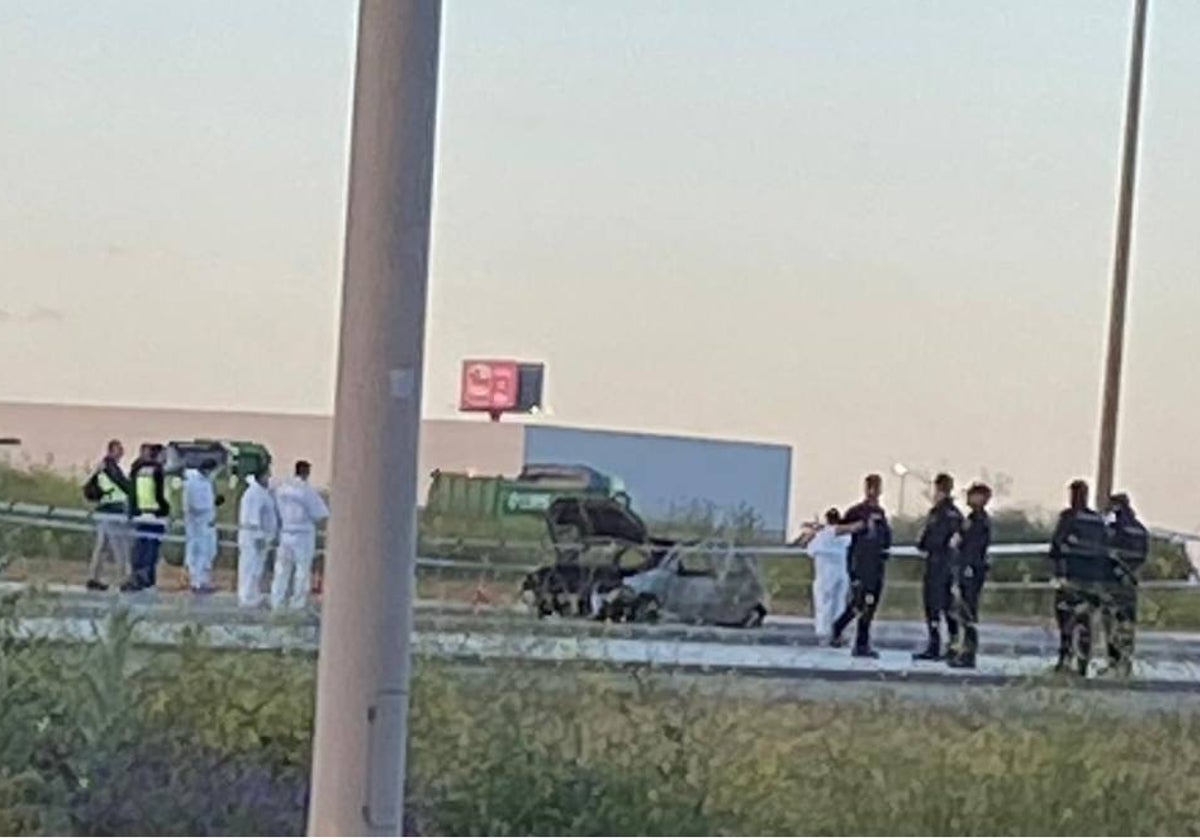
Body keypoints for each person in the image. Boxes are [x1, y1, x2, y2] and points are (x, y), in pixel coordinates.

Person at [1048, 479, 1109, 675]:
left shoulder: (1069, 517)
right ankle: (1083, 662)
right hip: (1092, 579)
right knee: (1085, 622)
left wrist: (1058, 571)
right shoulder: (1096, 520)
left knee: (1066, 620)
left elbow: (1057, 546)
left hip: (1071, 577)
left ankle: (1065, 660)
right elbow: (1105, 550)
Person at [831, 474, 893, 658]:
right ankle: (859, 642)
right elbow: (837, 529)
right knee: (861, 602)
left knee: (869, 603)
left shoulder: (881, 513)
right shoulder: (857, 510)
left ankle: (844, 631)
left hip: (877, 564)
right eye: (870, 487)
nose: (874, 491)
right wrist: (855, 527)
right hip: (860, 563)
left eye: (877, 487)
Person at [913, 473, 963, 661]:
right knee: (948, 608)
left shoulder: (940, 514)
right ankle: (953, 644)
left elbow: (931, 540)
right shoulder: (956, 514)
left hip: (938, 565)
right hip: (950, 566)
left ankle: (935, 646)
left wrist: (924, 543)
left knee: (934, 607)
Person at [270, 460, 330, 611]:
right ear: (306, 473)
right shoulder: (306, 491)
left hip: (285, 532)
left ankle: (276, 600)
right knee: (302, 570)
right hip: (303, 534)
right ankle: (297, 603)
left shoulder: (282, 489)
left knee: (282, 569)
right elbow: (320, 513)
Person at [1101, 492, 1148, 677]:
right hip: (1131, 582)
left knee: (1111, 622)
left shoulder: (1114, 529)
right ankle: (1126, 662)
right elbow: (1142, 555)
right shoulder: (1140, 529)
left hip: (1113, 581)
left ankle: (1114, 662)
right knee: (1127, 623)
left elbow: (1106, 551)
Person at [947, 482, 992, 669]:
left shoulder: (980, 520)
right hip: (965, 566)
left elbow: (974, 547)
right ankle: (963, 650)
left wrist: (969, 566)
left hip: (972, 569)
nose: (969, 498)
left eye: (974, 495)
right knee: (962, 610)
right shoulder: (971, 518)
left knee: (968, 610)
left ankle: (969, 653)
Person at [85, 439, 134, 591]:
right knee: (120, 547)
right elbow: (123, 486)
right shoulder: (111, 468)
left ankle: (94, 577)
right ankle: (124, 579)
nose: (121, 453)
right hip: (112, 512)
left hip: (104, 511)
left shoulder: (103, 467)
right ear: (111, 450)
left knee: (102, 547)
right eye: (119, 450)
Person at [123, 443, 169, 592]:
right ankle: (147, 580)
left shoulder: (139, 469)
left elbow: (133, 492)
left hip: (140, 513)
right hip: (155, 513)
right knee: (151, 549)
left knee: (140, 547)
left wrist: (133, 511)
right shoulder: (157, 471)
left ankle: (138, 577)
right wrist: (165, 509)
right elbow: (159, 494)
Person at [800, 508, 852, 643]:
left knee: (823, 605)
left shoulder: (821, 536)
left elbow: (807, 549)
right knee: (839, 604)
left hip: (824, 576)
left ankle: (823, 634)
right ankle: (837, 632)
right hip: (841, 574)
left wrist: (814, 532)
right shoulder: (845, 537)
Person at [237, 467, 279, 608]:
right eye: (267, 476)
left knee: (256, 568)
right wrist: (259, 536)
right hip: (253, 537)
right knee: (250, 567)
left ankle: (252, 594)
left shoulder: (262, 493)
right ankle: (247, 597)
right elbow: (253, 517)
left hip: (260, 536)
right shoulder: (254, 493)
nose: (269, 479)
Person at [183, 459, 223, 594]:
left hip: (208, 523)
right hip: (198, 524)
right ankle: (197, 582)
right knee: (199, 553)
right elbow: (194, 505)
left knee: (209, 552)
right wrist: (206, 511)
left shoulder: (207, 482)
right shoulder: (193, 482)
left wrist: (214, 503)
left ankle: (205, 581)